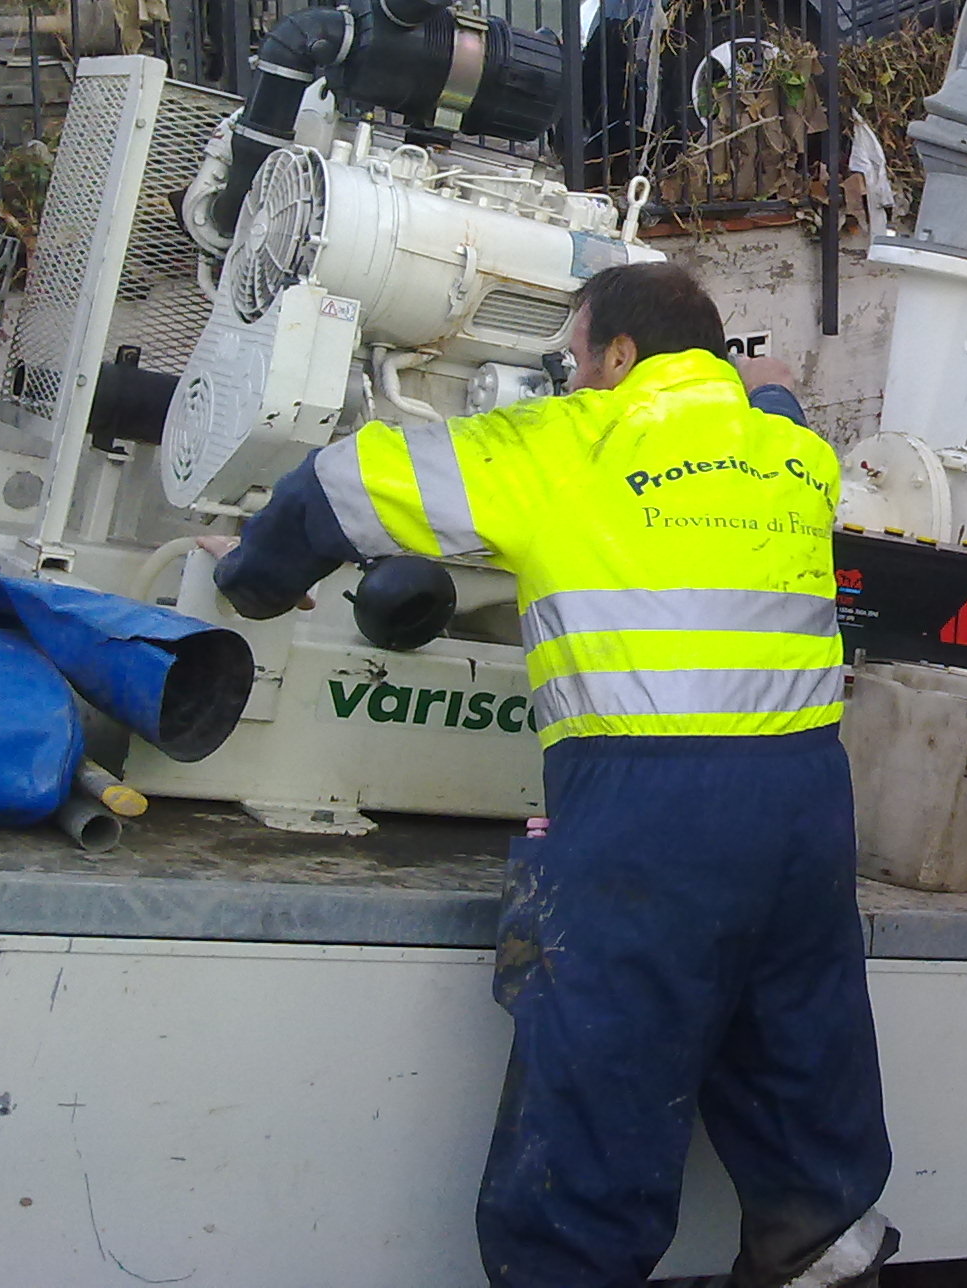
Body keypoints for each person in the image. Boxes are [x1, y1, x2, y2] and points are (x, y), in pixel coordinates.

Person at [201, 262, 892, 1288]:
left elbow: (339, 488)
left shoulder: (562, 446)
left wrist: (249, 580)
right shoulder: (794, 456)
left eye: (575, 358)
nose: (570, 378)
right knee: (800, 1077)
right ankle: (827, 1254)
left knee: (598, 1112)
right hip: (805, 812)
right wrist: (766, 388)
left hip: (650, 819)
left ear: (617, 356)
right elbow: (774, 401)